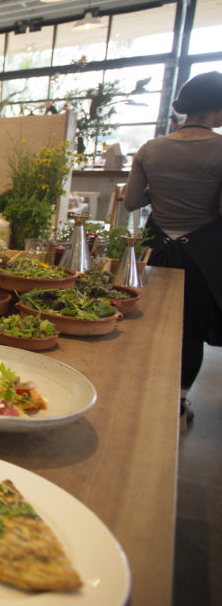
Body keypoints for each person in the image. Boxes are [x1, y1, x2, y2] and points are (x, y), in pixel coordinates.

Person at [123, 70, 222, 429]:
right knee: (190, 329)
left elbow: (132, 201)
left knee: (147, 322)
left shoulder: (151, 149)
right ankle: (178, 407)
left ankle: (140, 393)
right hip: (203, 254)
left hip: (156, 249)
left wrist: (161, 191)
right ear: (215, 109)